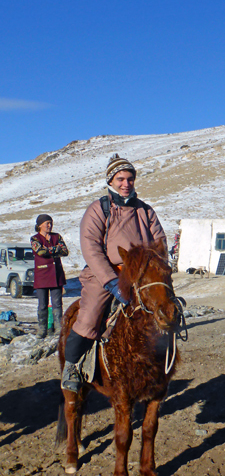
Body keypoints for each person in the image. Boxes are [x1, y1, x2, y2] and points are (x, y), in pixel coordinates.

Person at [61, 154, 167, 392]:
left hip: (140, 275)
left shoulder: (146, 211)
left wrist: (156, 273)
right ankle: (72, 367)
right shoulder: (99, 209)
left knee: (164, 312)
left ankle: (163, 364)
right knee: (90, 316)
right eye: (120, 178)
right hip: (105, 274)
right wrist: (110, 281)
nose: (126, 183)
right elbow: (91, 246)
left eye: (130, 178)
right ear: (111, 180)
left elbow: (160, 242)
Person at [30, 214, 68, 338]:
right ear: (40, 225)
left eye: (50, 223)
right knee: (42, 304)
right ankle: (42, 329)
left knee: (57, 303)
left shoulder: (57, 236)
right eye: (47, 223)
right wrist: (55, 249)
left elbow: (65, 251)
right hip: (42, 276)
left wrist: (49, 249)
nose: (49, 225)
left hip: (56, 275)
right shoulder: (35, 239)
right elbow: (40, 251)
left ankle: (58, 328)